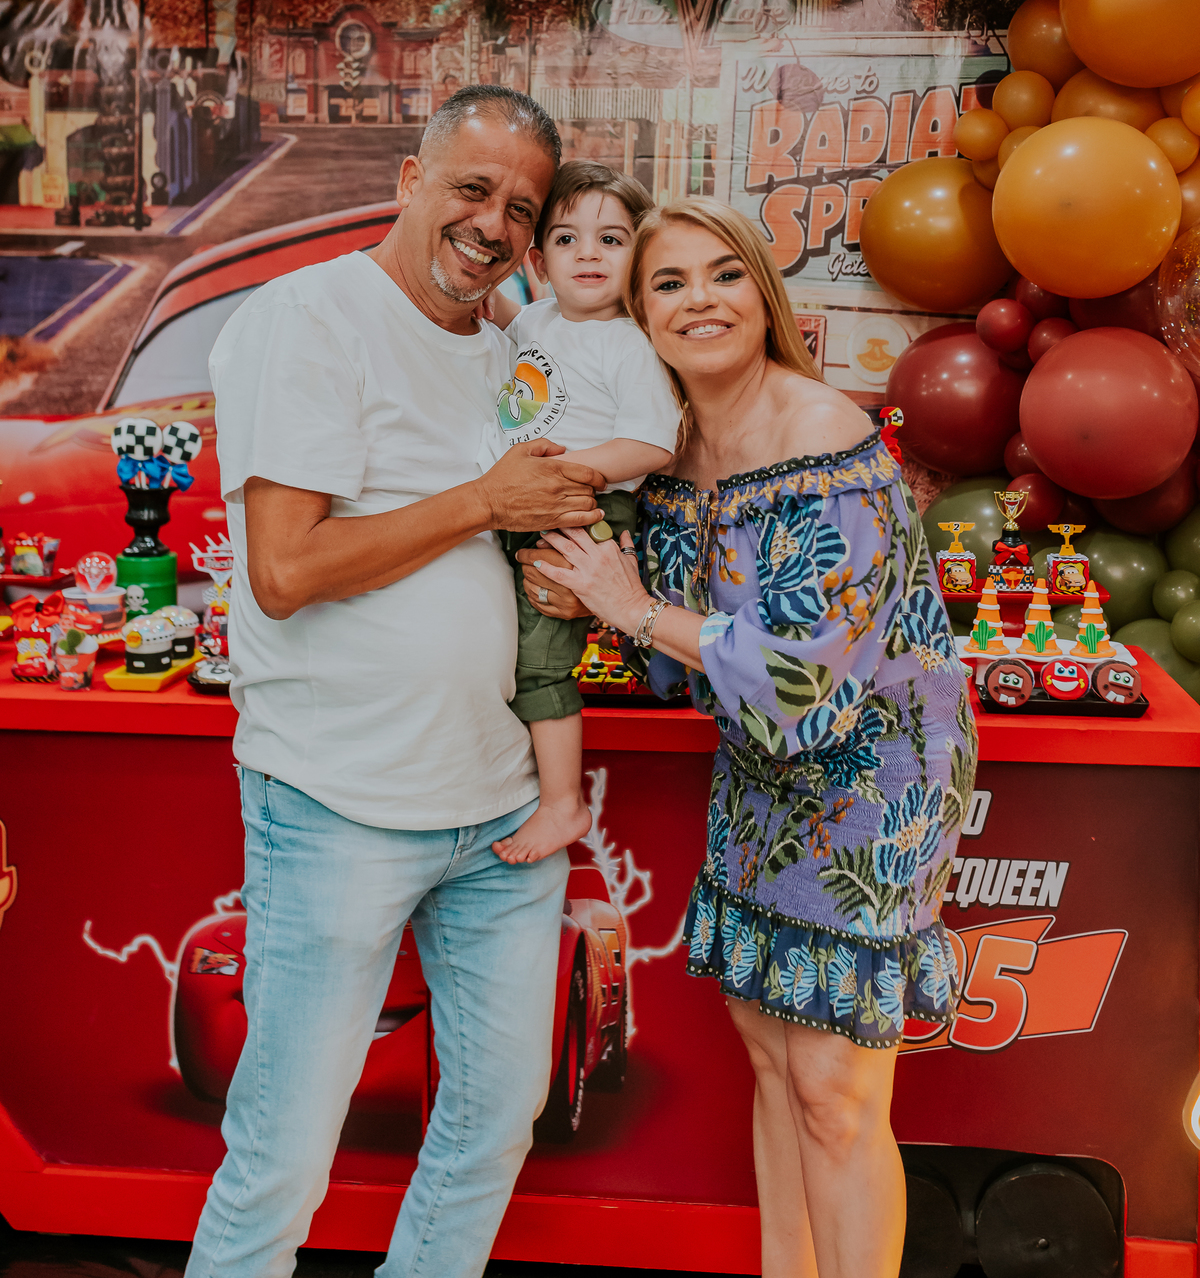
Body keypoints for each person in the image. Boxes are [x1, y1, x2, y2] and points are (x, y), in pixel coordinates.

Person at [187, 86, 607, 1278]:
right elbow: (284, 571)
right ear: (410, 180)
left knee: (491, 1125)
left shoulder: (514, 349)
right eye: (473, 189)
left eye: (522, 209)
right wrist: (487, 503)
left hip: (500, 817)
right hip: (339, 806)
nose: (495, 224)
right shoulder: (309, 316)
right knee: (283, 1155)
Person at [520, 198, 977, 1278]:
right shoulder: (670, 451)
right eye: (667, 284)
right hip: (761, 778)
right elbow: (680, 660)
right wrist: (596, 597)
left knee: (836, 1089)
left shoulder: (821, 430)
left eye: (723, 275)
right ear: (638, 315)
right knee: (776, 1069)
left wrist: (628, 606)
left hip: (875, 777)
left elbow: (810, 688)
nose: (699, 302)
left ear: (762, 295)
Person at [484, 161, 680, 865]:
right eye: (567, 240)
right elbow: (515, 328)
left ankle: (564, 803)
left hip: (580, 509)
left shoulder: (630, 341)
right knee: (499, 647)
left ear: (640, 255)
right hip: (519, 504)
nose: (588, 254)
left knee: (541, 661)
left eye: (611, 239)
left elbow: (654, 442)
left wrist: (566, 475)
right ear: (538, 261)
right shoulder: (534, 317)